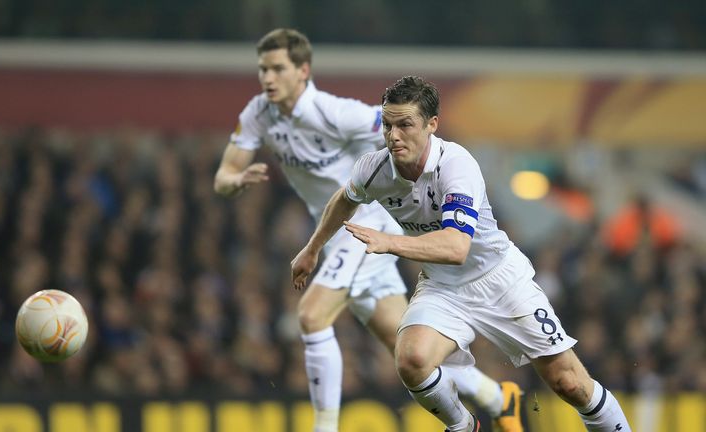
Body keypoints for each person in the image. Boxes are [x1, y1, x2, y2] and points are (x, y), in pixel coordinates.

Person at [215, 29, 523, 432]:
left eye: (277, 69)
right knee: (408, 350)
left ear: (302, 71)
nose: (267, 78)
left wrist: (444, 173)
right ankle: (498, 398)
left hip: (365, 226)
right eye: (262, 69)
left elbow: (405, 129)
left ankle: (324, 427)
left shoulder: (333, 113)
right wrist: (234, 182)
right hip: (335, 230)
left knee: (311, 315)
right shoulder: (258, 113)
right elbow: (224, 175)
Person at [291, 75, 633, 432]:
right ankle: (463, 427)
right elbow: (344, 199)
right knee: (412, 359)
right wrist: (312, 249)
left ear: (431, 124)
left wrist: (389, 241)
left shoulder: (456, 165)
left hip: (500, 280)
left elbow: (456, 248)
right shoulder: (373, 168)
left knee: (570, 384)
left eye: (405, 124)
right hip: (443, 288)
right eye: (388, 124)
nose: (393, 136)